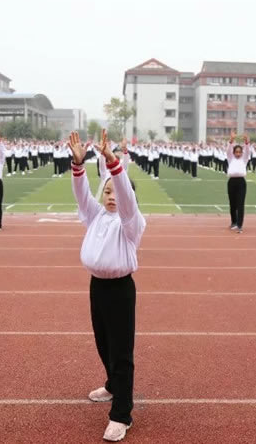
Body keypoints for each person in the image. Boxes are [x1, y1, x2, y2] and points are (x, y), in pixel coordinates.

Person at [67, 129, 145, 442]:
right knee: (103, 343)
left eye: (117, 192)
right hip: (96, 287)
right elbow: (82, 195)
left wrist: (114, 164)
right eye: (108, 192)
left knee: (122, 351)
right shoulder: (96, 215)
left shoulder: (132, 222)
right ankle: (113, 386)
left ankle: (122, 415)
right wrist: (78, 165)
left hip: (120, 289)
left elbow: (126, 199)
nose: (112, 197)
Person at [226, 132, 251, 233]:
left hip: (241, 183)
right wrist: (231, 140)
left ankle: (240, 224)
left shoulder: (244, 159)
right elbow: (228, 150)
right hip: (231, 182)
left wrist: (246, 142)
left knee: (240, 204)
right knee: (233, 204)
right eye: (236, 152)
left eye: (239, 152)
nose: (238, 154)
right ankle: (234, 222)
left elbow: (248, 151)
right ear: (233, 152)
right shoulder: (230, 158)